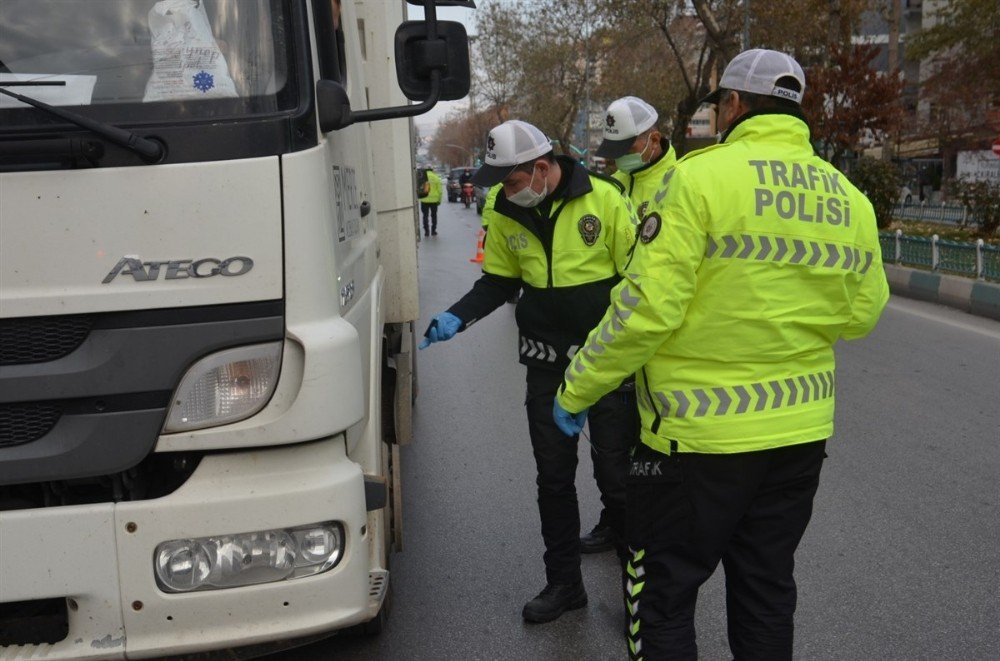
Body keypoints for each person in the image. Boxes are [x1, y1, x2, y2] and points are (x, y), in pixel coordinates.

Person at [552, 49, 890, 660]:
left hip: (695, 440)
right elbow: (862, 315)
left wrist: (577, 387)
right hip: (798, 437)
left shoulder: (698, 179)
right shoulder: (850, 199)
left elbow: (644, 312)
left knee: (664, 597)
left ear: (733, 105)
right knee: (766, 591)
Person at [420, 120, 640, 623]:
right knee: (554, 480)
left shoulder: (604, 200)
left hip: (604, 361)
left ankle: (642, 591)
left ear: (542, 168)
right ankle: (565, 583)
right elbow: (498, 280)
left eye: (511, 181)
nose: (502, 191)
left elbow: (639, 280)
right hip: (545, 362)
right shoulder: (503, 210)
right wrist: (459, 315)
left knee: (618, 477)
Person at [596, 96, 677, 223]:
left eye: (627, 150)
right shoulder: (614, 184)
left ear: (654, 140)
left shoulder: (679, 183)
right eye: (615, 151)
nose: (620, 157)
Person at [418, 166, 442, 236]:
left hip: (424, 199)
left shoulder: (422, 178)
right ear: (432, 170)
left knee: (425, 215)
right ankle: (433, 231)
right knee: (434, 216)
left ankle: (426, 231)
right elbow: (440, 191)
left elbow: (419, 188)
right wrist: (439, 200)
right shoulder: (436, 177)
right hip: (434, 200)